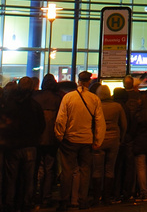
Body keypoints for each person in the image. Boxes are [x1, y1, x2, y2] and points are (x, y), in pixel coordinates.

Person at [53, 71, 106, 212]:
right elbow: (100, 122)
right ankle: (82, 201)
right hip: (87, 140)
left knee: (67, 171)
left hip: (70, 139)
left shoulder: (68, 98)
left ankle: (65, 200)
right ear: (89, 82)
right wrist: (98, 140)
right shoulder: (94, 99)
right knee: (85, 171)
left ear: (78, 81)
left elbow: (60, 119)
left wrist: (59, 135)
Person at [4, 76, 45, 212]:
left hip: (14, 146)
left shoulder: (10, 104)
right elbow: (41, 125)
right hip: (30, 145)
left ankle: (10, 203)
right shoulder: (34, 105)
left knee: (11, 177)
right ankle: (26, 203)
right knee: (28, 178)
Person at [92, 85, 127, 204]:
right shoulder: (117, 107)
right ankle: (107, 197)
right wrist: (121, 139)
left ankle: (96, 197)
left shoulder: (96, 106)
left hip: (99, 140)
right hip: (113, 141)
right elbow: (124, 125)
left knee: (97, 170)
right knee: (110, 169)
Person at [33, 73, 62, 207]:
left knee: (35, 167)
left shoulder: (35, 97)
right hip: (52, 138)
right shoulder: (58, 98)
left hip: (36, 138)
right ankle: (46, 196)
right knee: (50, 168)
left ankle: (34, 194)